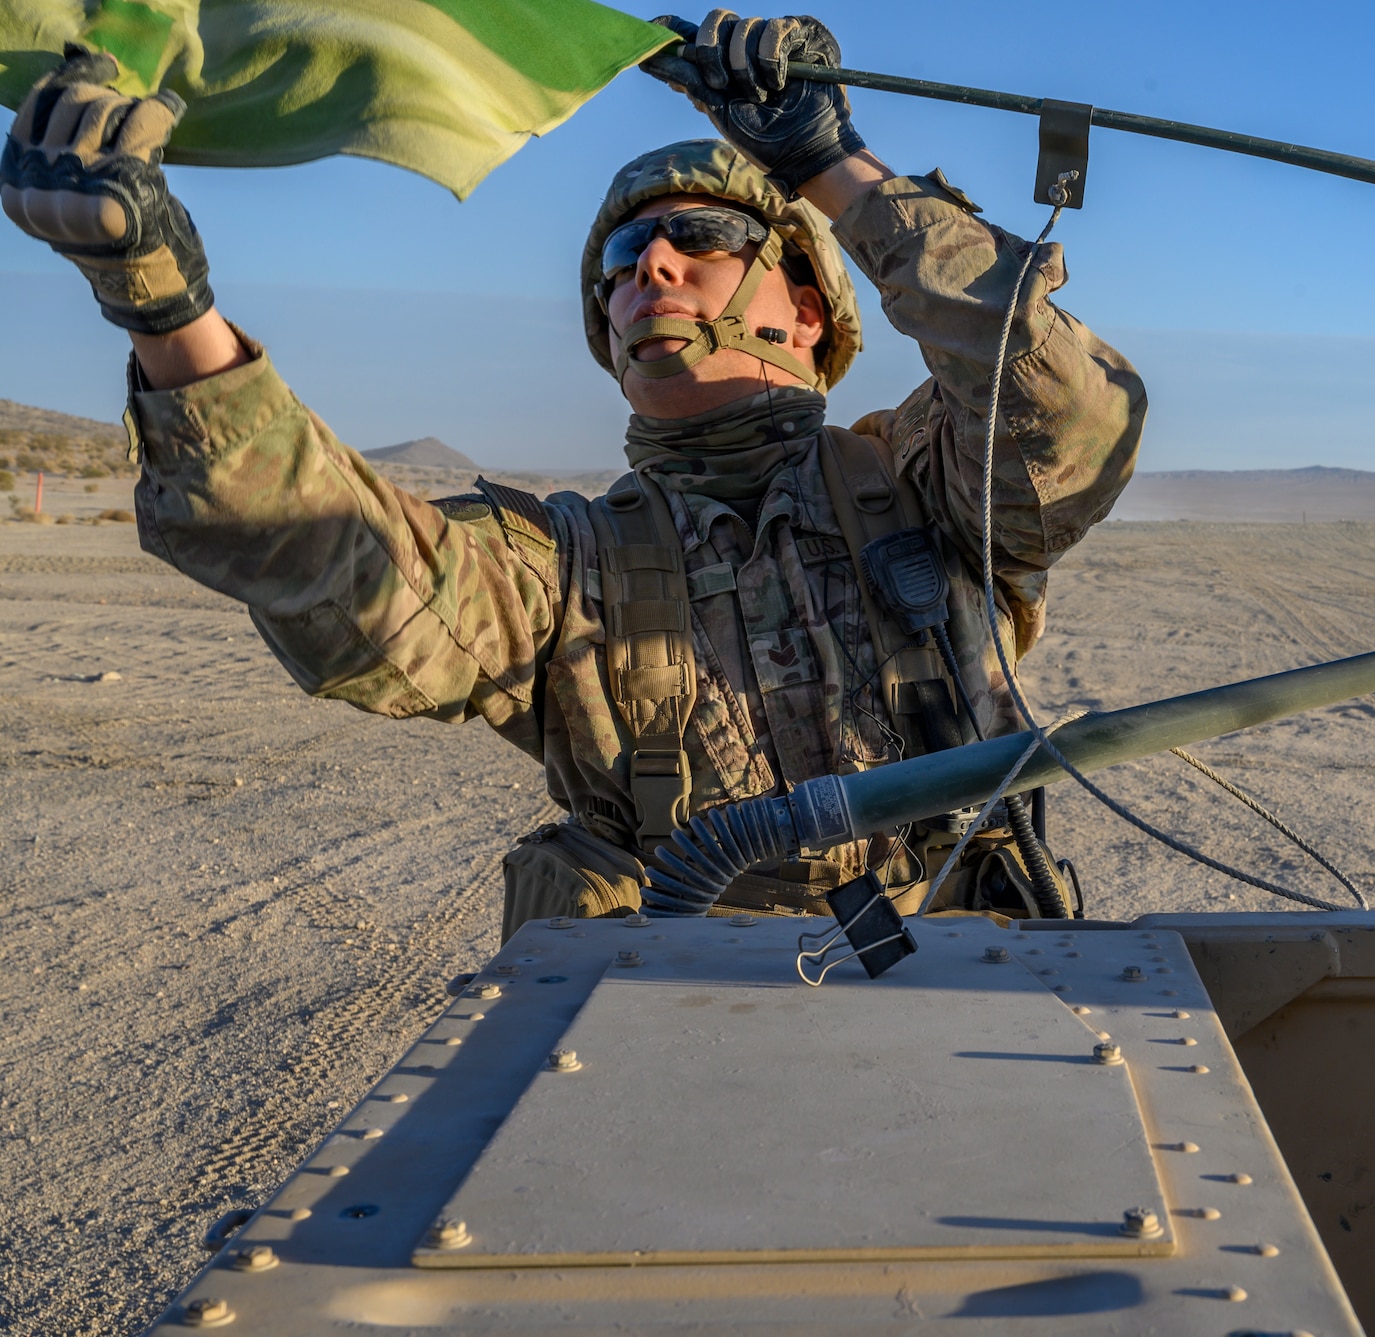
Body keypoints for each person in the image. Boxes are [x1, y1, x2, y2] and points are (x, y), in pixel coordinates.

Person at [0, 13, 1146, 936]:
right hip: (669, 1033)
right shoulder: (566, 562)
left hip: (964, 981)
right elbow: (344, 572)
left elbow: (1065, 412)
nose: (646, 264)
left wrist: (827, 167)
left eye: (697, 237)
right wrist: (163, 307)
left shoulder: (923, 479)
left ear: (804, 305)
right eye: (616, 259)